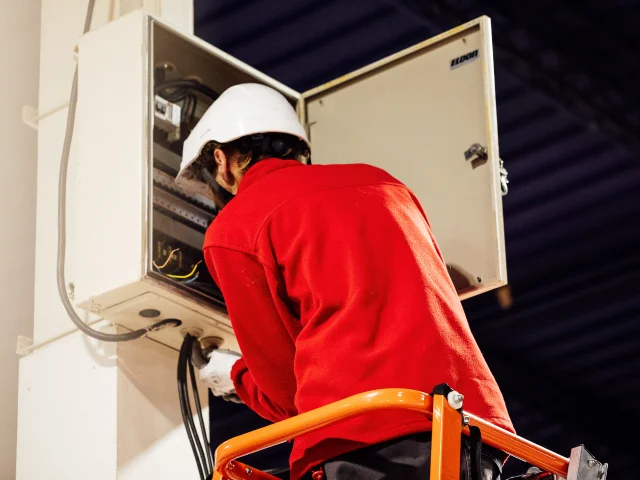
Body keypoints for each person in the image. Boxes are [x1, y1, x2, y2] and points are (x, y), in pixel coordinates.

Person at [176, 83, 514, 480]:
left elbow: (286, 396)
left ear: (222, 158)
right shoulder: (386, 184)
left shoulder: (232, 230)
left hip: (364, 436)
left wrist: (235, 376)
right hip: (474, 428)